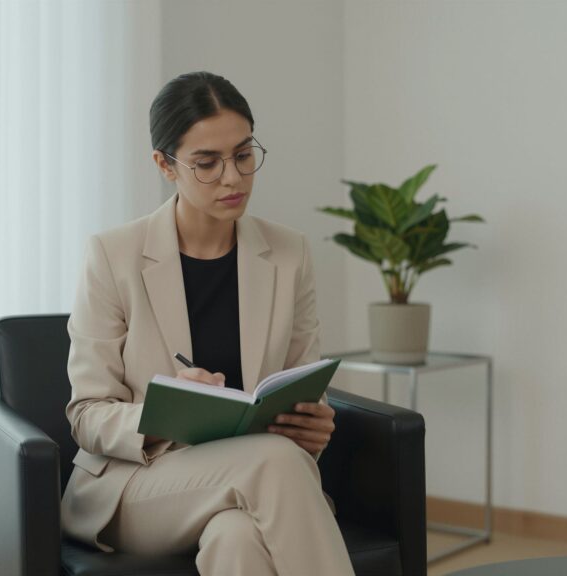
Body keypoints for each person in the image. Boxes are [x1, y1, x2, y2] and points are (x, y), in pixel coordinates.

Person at [60, 71, 355, 576]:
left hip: (253, 484)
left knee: (236, 538)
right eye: (207, 163)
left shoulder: (289, 253)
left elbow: (302, 380)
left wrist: (314, 421)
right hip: (139, 486)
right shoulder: (113, 255)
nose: (233, 178)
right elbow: (86, 413)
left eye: (243, 155)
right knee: (275, 462)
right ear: (164, 165)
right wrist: (162, 410)